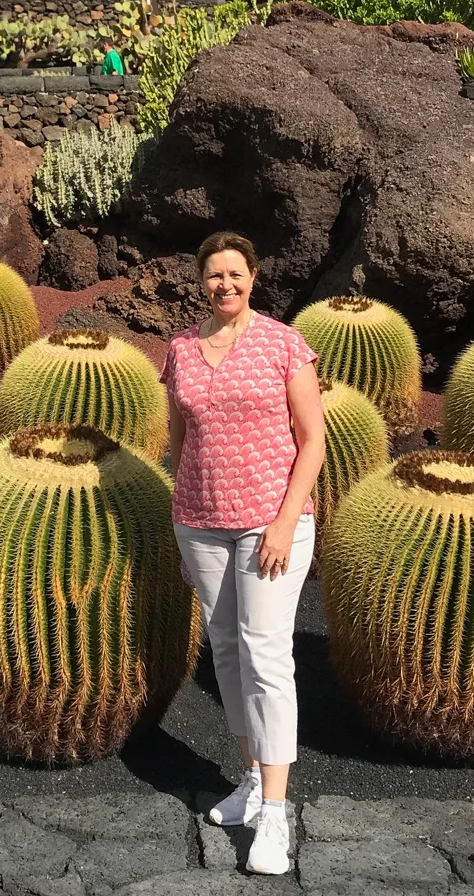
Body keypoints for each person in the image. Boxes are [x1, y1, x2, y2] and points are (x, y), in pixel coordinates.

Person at [161, 231, 325, 877]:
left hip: (270, 525)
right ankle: (252, 779)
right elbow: (180, 440)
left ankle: (277, 815)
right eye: (212, 275)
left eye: (234, 273)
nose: (223, 284)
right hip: (201, 525)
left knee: (265, 652)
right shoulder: (179, 351)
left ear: (253, 277)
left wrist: (285, 523)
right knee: (226, 649)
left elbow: (311, 440)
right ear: (200, 282)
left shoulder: (285, 344)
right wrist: (182, 516)